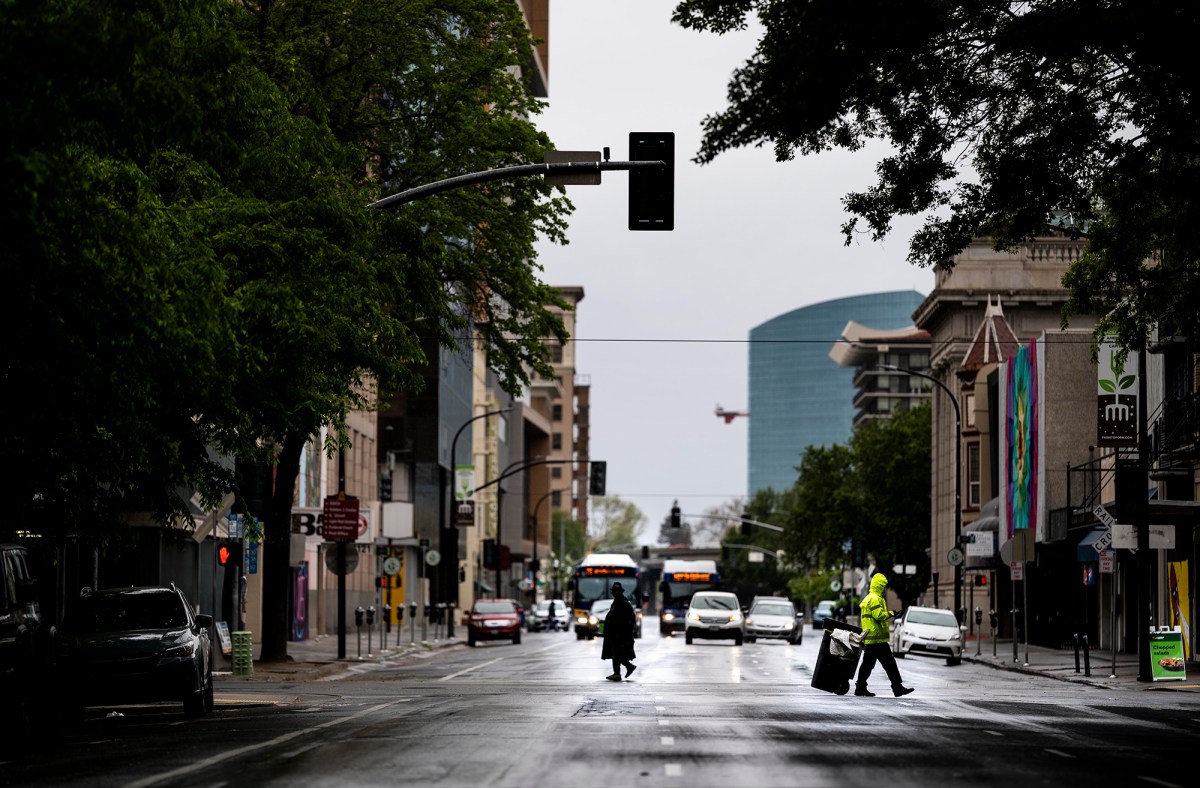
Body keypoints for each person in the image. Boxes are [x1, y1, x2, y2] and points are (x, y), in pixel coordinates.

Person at [854, 572, 913, 698]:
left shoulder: (869, 597)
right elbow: (879, 616)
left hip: (872, 639)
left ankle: (860, 687)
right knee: (889, 664)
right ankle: (897, 688)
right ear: (879, 585)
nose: (885, 588)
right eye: (883, 586)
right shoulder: (875, 598)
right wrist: (892, 613)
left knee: (868, 665)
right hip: (877, 639)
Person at [601, 582, 637, 681]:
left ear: (620, 592)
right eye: (614, 591)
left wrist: (624, 632)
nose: (614, 593)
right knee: (615, 653)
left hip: (620, 634)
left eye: (616, 591)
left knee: (616, 653)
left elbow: (628, 620)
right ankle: (621, 671)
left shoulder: (622, 603)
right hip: (616, 634)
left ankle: (622, 671)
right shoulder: (618, 601)